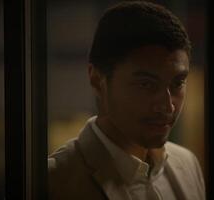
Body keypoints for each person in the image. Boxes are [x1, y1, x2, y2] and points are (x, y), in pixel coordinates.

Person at [48, 1, 205, 199]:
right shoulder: (54, 182)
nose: (167, 105)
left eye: (178, 83)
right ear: (97, 79)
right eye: (146, 85)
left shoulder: (186, 165)